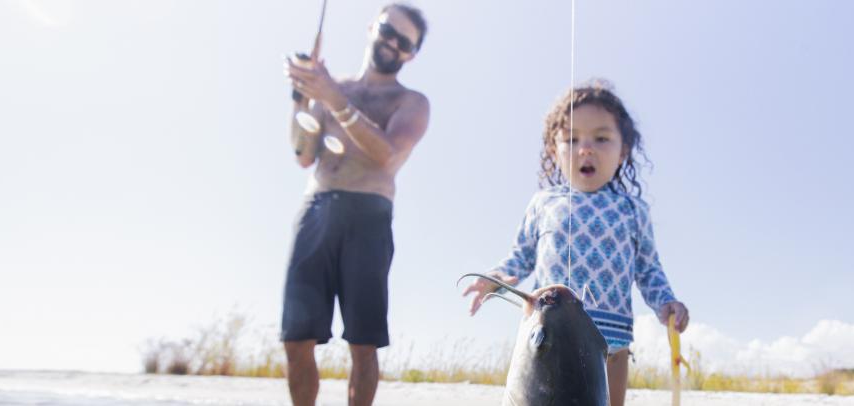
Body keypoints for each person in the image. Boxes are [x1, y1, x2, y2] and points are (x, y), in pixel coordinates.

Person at [463, 81, 689, 406]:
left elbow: (649, 270)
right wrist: (496, 279)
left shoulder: (632, 210)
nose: (586, 149)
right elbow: (521, 256)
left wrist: (666, 302)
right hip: (546, 338)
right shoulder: (544, 202)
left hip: (611, 345)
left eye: (601, 138)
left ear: (623, 149)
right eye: (571, 139)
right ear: (554, 150)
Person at [280, 4, 429, 406]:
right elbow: (302, 154)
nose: (391, 43)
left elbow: (388, 154)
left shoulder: (411, 102)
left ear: (411, 54)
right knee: (296, 336)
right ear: (371, 28)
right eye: (387, 31)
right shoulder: (332, 85)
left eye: (403, 41)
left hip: (369, 214)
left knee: (363, 341)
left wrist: (333, 98)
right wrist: (301, 96)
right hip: (316, 208)